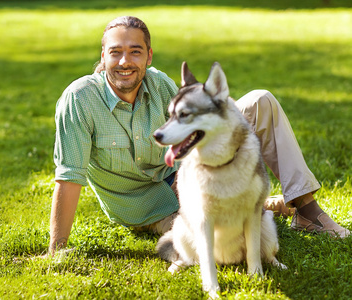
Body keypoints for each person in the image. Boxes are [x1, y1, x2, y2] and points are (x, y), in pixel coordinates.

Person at [48, 16, 349, 256]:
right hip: (151, 207)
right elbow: (69, 175)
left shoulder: (159, 84)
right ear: (104, 56)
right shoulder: (80, 100)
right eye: (116, 52)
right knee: (221, 239)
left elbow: (202, 123)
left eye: (135, 51)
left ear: (149, 56)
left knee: (260, 101)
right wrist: (57, 249)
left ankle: (307, 209)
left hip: (191, 177)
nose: (125, 61)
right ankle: (266, 204)